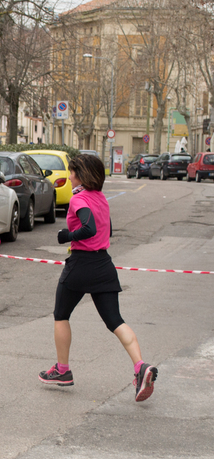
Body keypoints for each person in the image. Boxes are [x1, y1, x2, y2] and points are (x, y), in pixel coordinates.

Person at [38, 154, 157, 402]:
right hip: (104, 264)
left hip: (81, 265)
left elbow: (89, 228)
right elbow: (107, 229)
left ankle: (62, 370)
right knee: (115, 320)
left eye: (72, 172)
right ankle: (140, 367)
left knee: (61, 315)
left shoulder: (78, 199)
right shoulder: (101, 199)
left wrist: (66, 235)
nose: (69, 176)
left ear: (80, 175)